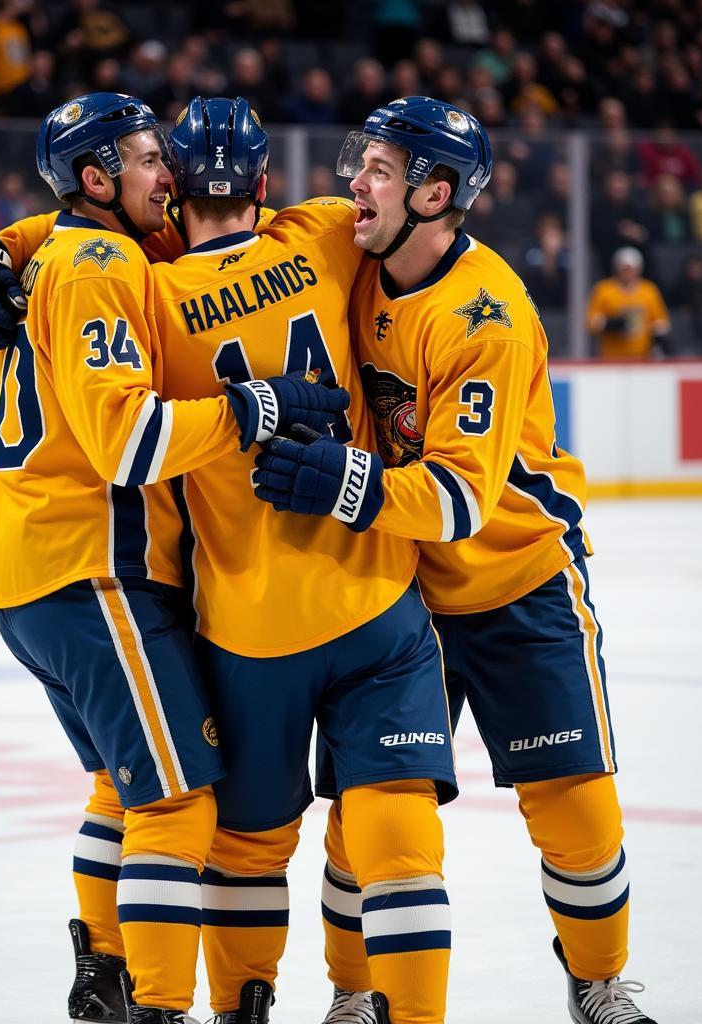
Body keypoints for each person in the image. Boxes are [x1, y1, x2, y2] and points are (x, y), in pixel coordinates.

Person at [0, 96, 459, 1024]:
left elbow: (50, 268)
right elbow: (401, 220)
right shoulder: (319, 238)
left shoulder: (146, 287)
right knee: (383, 822)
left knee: (234, 836)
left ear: (173, 192)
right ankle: (383, 1009)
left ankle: (233, 1003)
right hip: (369, 585)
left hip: (237, 619)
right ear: (266, 187)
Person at [0, 93, 349, 1024]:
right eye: (147, 160)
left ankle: (101, 970)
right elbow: (127, 446)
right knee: (177, 806)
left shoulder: (54, 260)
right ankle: (158, 1008)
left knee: (124, 786)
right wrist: (259, 406)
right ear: (100, 180)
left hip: (33, 577)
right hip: (97, 573)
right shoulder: (103, 263)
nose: (168, 174)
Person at [252, 96, 657, 1024]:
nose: (357, 181)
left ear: (436, 194)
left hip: (517, 582)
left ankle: (597, 981)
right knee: (367, 822)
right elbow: (202, 230)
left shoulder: (488, 313)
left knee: (579, 816)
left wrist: (342, 483)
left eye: (382, 171)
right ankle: (355, 997)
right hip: (400, 599)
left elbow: (462, 500)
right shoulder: (348, 248)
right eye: (363, 163)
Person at [587, 247, 670, 360]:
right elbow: (591, 322)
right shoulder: (604, 290)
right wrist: (614, 324)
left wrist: (657, 338)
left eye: (631, 269)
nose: (628, 273)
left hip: (642, 357)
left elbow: (661, 322)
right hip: (611, 357)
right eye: (625, 269)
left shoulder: (649, 291)